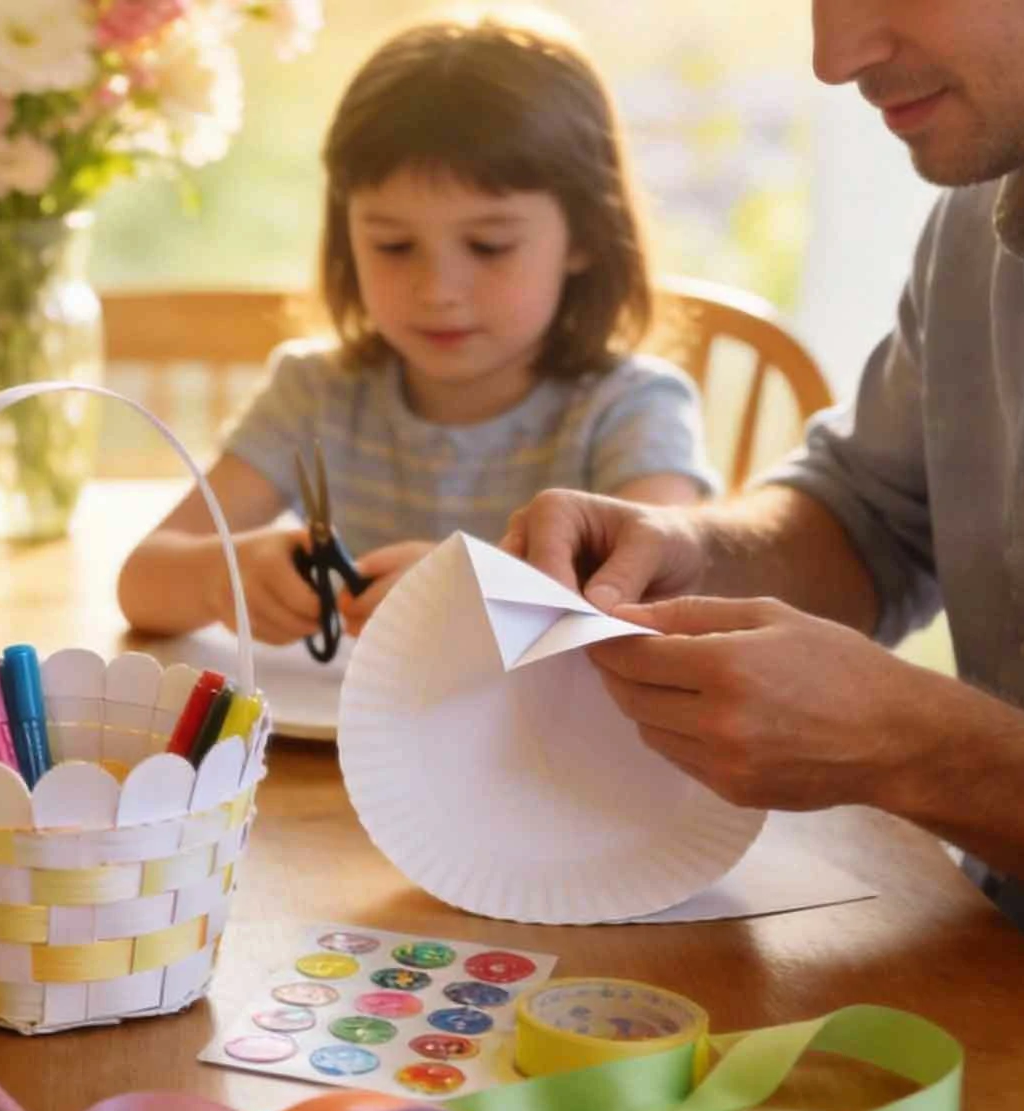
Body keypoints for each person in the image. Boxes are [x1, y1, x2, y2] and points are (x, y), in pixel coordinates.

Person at [504, 0, 1024, 1018]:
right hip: (1000, 973)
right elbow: (864, 517)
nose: (835, 58)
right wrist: (685, 547)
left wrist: (914, 749)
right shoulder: (975, 224)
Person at [118, 15, 716, 647]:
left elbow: (664, 600)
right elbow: (141, 582)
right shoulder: (315, 394)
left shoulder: (631, 408)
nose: (438, 290)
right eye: (394, 244)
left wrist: (475, 589)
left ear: (587, 236)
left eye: (489, 246)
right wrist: (226, 573)